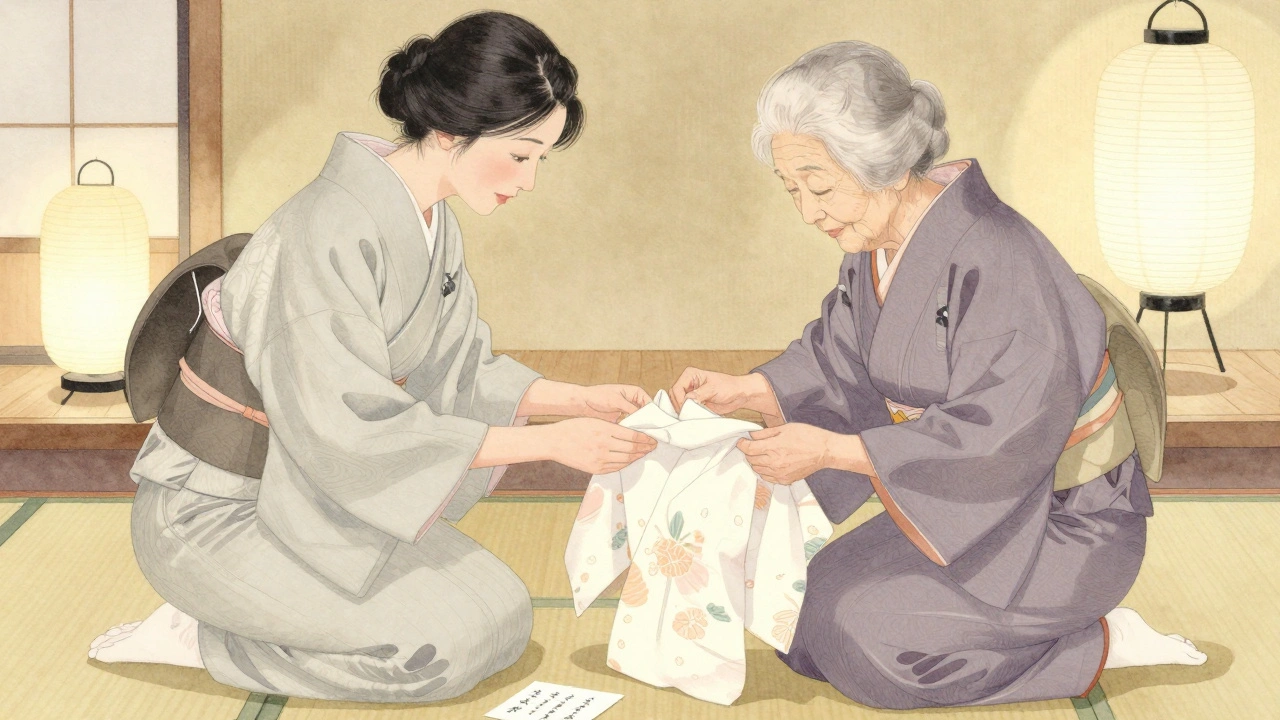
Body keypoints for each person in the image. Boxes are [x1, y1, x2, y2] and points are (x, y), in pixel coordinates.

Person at [88, 11, 657, 703]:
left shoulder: (430, 221)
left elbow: (456, 371)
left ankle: (257, 618)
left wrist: (574, 401)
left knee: (503, 616)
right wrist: (556, 445)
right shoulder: (322, 230)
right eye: (519, 154)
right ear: (449, 133)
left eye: (540, 158)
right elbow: (347, 427)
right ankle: (202, 635)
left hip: (309, 500)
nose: (529, 180)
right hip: (218, 511)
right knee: (436, 655)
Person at [670, 41, 1207, 710]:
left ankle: (1098, 644)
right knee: (798, 617)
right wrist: (754, 390)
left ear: (887, 166)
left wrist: (836, 450)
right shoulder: (875, 247)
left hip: (1059, 524)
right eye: (792, 191)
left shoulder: (1002, 256)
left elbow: (1004, 436)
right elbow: (840, 354)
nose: (807, 211)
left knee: (869, 649)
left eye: (819, 186)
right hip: (983, 514)